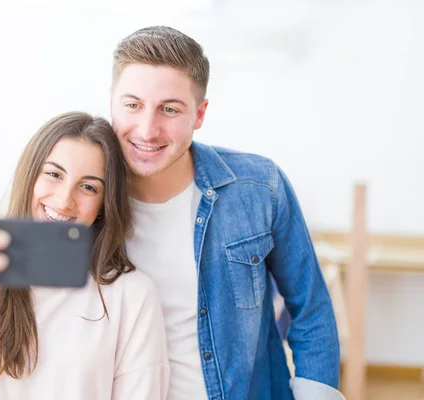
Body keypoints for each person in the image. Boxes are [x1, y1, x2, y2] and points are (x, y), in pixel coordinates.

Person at [110, 26, 343, 399]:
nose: (147, 129)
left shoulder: (260, 187)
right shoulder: (86, 199)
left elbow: (311, 308)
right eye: (132, 105)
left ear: (199, 114)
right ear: (112, 103)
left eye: (169, 109)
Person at [0, 112, 169, 400]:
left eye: (89, 187)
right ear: (30, 176)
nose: (65, 199)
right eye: (53, 174)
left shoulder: (131, 295)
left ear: (103, 204)